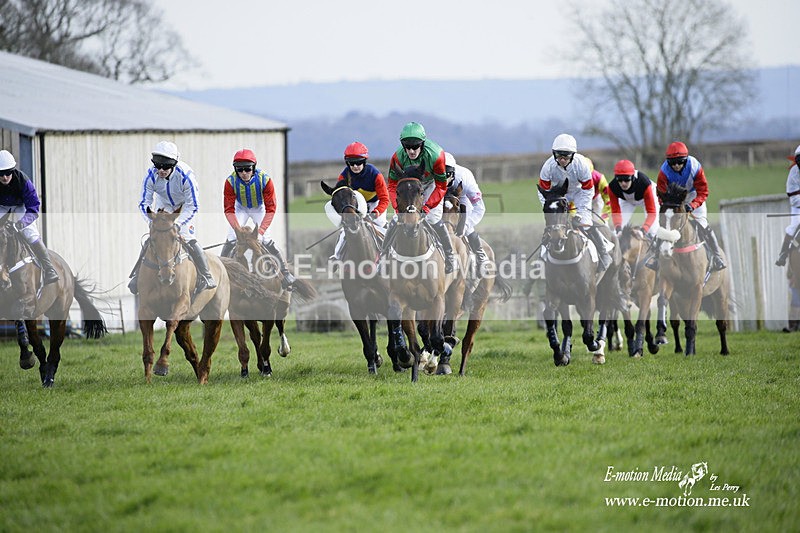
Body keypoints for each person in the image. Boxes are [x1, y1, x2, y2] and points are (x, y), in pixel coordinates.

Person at [129, 141, 216, 294]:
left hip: (184, 208)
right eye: (158, 166)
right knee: (151, 238)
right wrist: (152, 221)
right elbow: (144, 202)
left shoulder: (186, 176)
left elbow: (193, 205)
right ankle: (137, 275)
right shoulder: (151, 175)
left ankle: (205, 275)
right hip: (164, 206)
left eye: (166, 167)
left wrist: (179, 223)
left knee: (187, 237)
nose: (161, 170)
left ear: (174, 164)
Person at [384, 121, 456, 273]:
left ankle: (450, 256)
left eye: (415, 146)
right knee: (396, 219)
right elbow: (391, 185)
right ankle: (383, 257)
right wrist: (398, 208)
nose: (411, 150)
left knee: (432, 219)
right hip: (408, 186)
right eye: (407, 146)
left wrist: (428, 206)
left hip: (432, 184)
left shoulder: (436, 155)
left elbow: (441, 186)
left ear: (422, 143)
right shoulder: (397, 157)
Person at [220, 149, 294, 289]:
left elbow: (271, 209)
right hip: (240, 208)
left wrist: (260, 231)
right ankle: (222, 270)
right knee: (230, 237)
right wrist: (238, 229)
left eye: (247, 169)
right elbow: (229, 209)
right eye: (239, 169)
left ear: (253, 167)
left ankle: (285, 273)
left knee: (265, 239)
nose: (243, 173)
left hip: (259, 209)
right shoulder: (230, 182)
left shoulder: (265, 180)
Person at [537, 133, 612, 272]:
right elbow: (543, 192)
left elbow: (588, 190)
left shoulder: (581, 165)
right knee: (552, 225)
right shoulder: (547, 167)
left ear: (572, 155)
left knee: (585, 223)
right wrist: (549, 210)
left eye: (566, 156)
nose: (562, 159)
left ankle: (604, 253)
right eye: (559, 155)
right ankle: (541, 257)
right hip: (559, 195)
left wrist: (581, 212)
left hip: (580, 193)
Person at [656, 141, 726, 271]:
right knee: (664, 224)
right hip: (674, 199)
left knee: (703, 224)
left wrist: (692, 205)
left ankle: (717, 257)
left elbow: (703, 191)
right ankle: (655, 258)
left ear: (686, 159)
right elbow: (660, 194)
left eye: (680, 162)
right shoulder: (663, 172)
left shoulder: (695, 166)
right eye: (672, 163)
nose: (676, 165)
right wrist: (666, 206)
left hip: (693, 195)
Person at [0, 149, 59, 285]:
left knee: (30, 233)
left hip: (21, 206)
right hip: (2, 206)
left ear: (13, 170)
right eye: (1, 174)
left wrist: (20, 224)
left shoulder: (24, 181)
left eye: (8, 173)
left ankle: (49, 268)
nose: (5, 177)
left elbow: (34, 209)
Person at [329, 142, 390, 261]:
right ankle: (336, 257)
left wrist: (376, 212)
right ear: (347, 163)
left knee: (381, 225)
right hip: (355, 206)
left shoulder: (375, 174)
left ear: (364, 162)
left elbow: (385, 198)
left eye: (359, 162)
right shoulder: (344, 176)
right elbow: (341, 198)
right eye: (351, 163)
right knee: (344, 229)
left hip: (375, 204)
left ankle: (389, 255)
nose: (355, 166)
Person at [444, 152, 488, 274]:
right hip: (441, 196)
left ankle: (480, 255)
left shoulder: (464, 178)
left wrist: (467, 224)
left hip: (463, 196)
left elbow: (480, 208)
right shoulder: (431, 174)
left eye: (446, 175)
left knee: (464, 228)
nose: (444, 180)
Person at [775, 144, 800, 267]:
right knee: (794, 226)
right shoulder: (794, 173)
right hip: (798, 206)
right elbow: (793, 196)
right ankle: (783, 254)